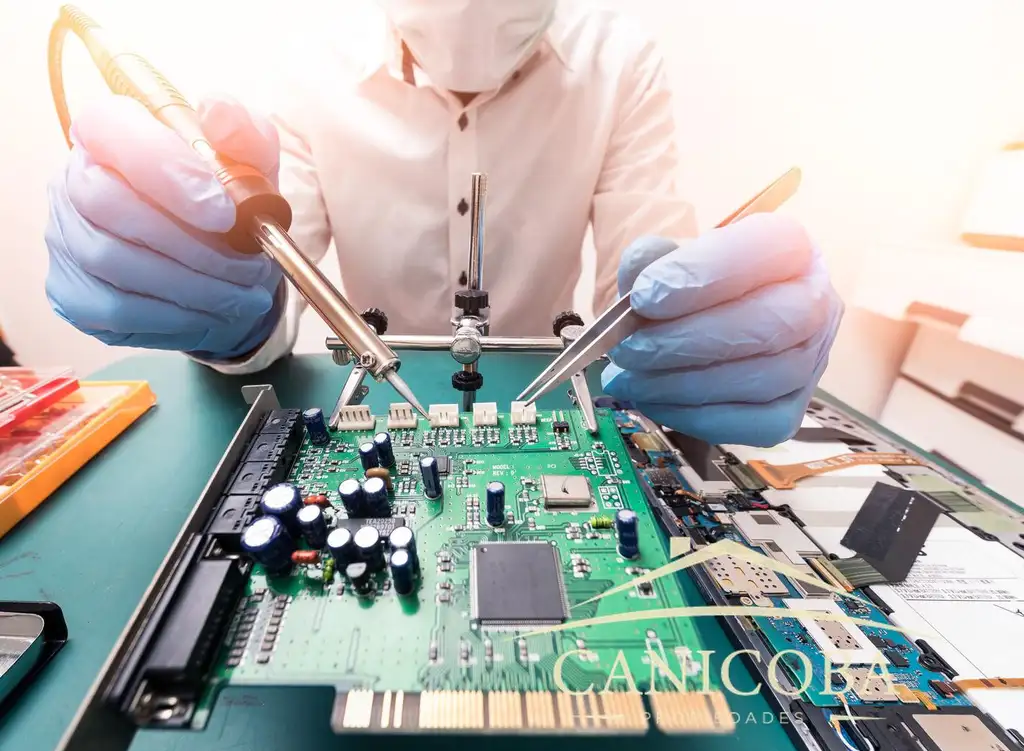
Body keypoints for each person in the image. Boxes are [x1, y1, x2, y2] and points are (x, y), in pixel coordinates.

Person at [43, 0, 842, 447]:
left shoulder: (619, 59)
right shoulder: (308, 64)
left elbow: (643, 278)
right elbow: (276, 291)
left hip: (550, 400)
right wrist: (228, 311)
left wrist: (710, 322)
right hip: (369, 400)